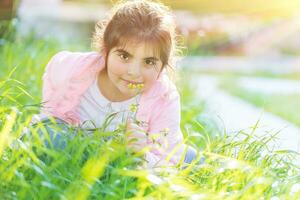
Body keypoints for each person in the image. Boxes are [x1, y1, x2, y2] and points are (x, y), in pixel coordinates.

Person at [31, 0, 200, 168]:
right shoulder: (71, 70)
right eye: (124, 56)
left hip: (122, 164)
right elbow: (49, 120)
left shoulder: (163, 97)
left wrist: (141, 154)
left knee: (190, 158)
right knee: (48, 135)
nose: (134, 72)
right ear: (105, 50)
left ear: (162, 66)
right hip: (75, 150)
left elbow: (167, 163)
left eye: (148, 62)